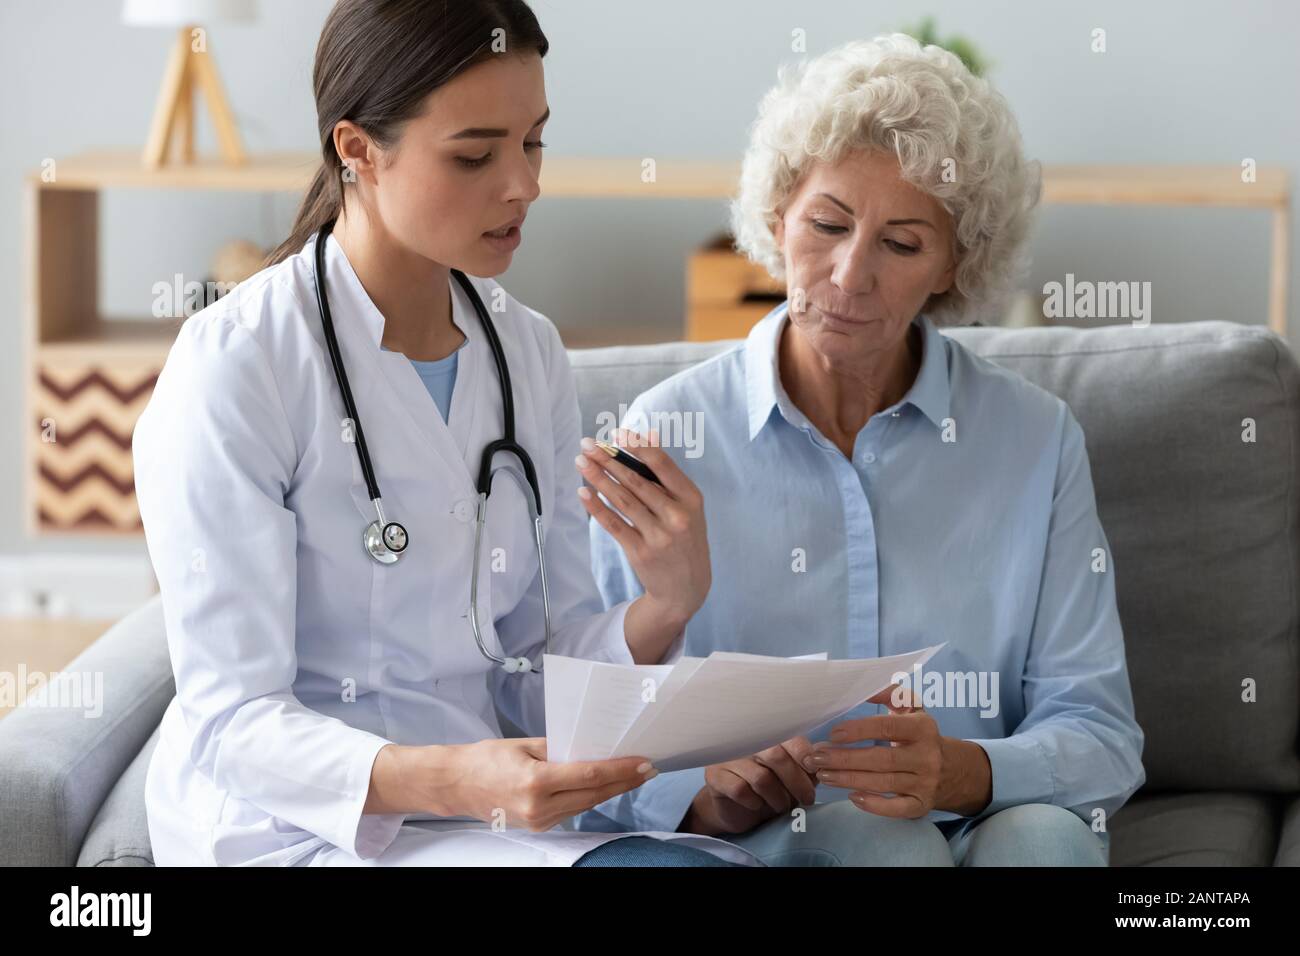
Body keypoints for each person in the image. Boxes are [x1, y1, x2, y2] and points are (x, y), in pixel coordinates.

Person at [133, 0, 755, 868]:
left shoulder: (525, 351)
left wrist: (664, 605)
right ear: (357, 152)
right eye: (475, 155)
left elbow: (538, 665)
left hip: (485, 815)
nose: (524, 185)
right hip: (290, 829)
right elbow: (233, 723)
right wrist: (457, 779)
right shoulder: (239, 364)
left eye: (534, 142)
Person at [578, 34, 1145, 866]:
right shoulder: (666, 436)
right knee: (880, 839)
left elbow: (1100, 732)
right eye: (828, 225)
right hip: (787, 842)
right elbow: (589, 730)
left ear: (957, 265)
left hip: (991, 817)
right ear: (778, 218)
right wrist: (702, 796)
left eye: (903, 243)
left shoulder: (1035, 438)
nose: (848, 275)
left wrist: (961, 771)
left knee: (1046, 844)